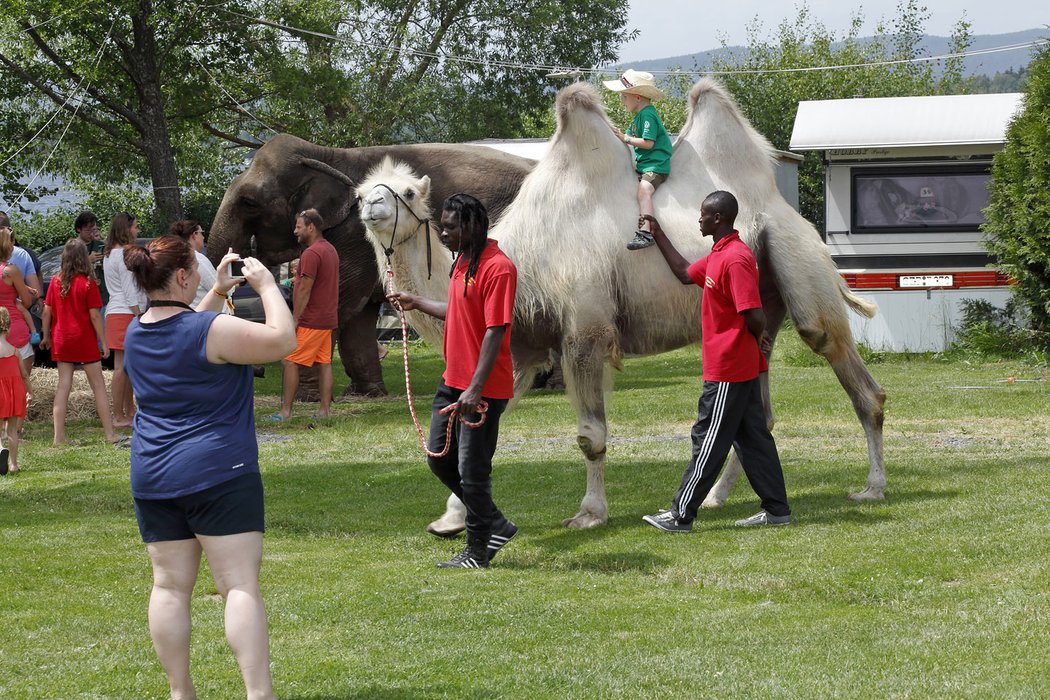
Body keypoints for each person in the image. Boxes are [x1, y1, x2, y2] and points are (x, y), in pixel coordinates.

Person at [122, 236, 294, 700]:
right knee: (239, 585)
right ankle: (260, 694)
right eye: (195, 270)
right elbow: (282, 340)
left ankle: (181, 693)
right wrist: (266, 285)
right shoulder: (210, 331)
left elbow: (183, 328)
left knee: (170, 587)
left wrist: (217, 291)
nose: (199, 273)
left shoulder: (136, 332)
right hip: (219, 470)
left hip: (154, 474)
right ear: (181, 276)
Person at [641, 191, 792, 533]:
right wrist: (657, 232)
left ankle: (681, 515)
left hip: (730, 367)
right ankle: (777, 510)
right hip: (735, 365)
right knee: (754, 439)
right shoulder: (718, 254)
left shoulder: (736, 259)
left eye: (704, 215)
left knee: (708, 437)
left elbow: (753, 312)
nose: (700, 219)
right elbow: (683, 272)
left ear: (720, 218)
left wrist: (760, 334)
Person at [388, 193, 519, 568]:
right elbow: (459, 309)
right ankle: (493, 522)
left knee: (472, 470)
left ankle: (479, 549)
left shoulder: (499, 268)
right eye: (441, 226)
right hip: (453, 379)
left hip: (482, 388)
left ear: (472, 226)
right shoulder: (463, 262)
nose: (443, 234)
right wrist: (417, 301)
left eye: (450, 227)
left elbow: (495, 330)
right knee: (439, 459)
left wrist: (475, 389)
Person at [40, 239, 121, 446]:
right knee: (99, 386)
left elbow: (47, 312)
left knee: (63, 386)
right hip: (83, 339)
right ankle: (110, 435)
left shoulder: (57, 281)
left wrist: (46, 336)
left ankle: (58, 437)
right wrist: (103, 342)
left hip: (62, 339)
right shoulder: (87, 283)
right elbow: (95, 316)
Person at [271, 208, 339, 421]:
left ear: (311, 227)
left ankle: (285, 412)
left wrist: (295, 318)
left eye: (299, 227)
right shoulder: (330, 250)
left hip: (311, 319)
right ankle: (325, 411)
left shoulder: (311, 253)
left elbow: (303, 289)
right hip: (327, 318)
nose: (295, 231)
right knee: (324, 363)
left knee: (289, 360)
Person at [604, 69, 672, 251]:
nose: (622, 101)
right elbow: (624, 135)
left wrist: (624, 139)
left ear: (637, 97)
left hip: (655, 166)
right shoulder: (638, 118)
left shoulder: (648, 115)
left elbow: (648, 143)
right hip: (645, 165)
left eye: (624, 96)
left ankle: (645, 231)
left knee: (643, 191)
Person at [104, 212, 148, 428]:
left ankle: (128, 410)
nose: (137, 231)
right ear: (125, 229)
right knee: (121, 367)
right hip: (125, 312)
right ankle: (118, 414)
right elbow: (130, 290)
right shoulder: (122, 255)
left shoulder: (109, 254)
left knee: (127, 366)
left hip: (117, 311)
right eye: (135, 227)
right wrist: (140, 315)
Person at [0, 227, 37, 387]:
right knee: (21, 384)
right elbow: (27, 301)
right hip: (13, 326)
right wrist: (19, 302)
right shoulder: (11, 271)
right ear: (9, 246)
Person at [0, 307, 29, 475]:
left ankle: (0, 449)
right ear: (9, 327)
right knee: (12, 430)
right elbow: (24, 375)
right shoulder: (15, 351)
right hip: (13, 393)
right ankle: (13, 464)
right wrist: (30, 392)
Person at [169, 219, 220, 308]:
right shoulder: (197, 259)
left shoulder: (174, 257)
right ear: (194, 235)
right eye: (201, 233)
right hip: (204, 316)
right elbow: (217, 287)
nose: (203, 237)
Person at [74, 211, 108, 305]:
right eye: (88, 230)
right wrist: (88, 261)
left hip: (103, 295)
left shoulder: (101, 245)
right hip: (82, 297)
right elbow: (67, 271)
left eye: (94, 230)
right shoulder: (73, 247)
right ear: (78, 229)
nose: (91, 234)